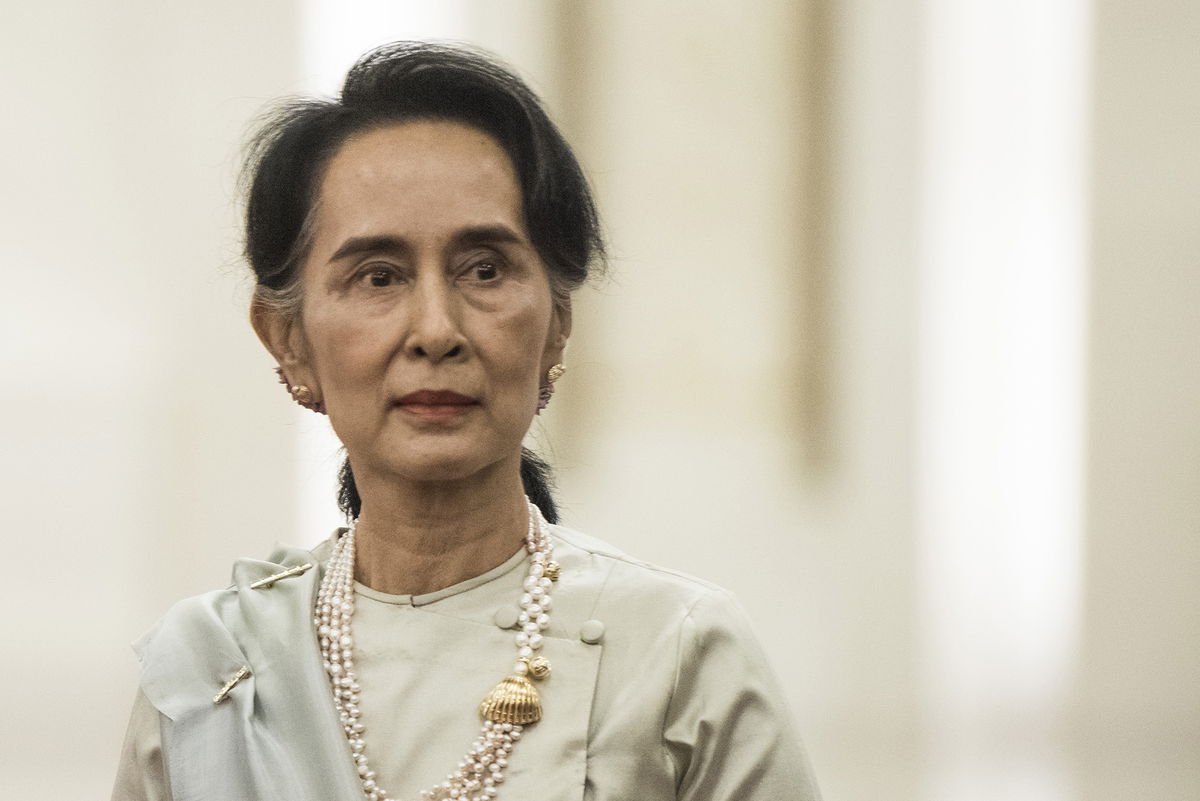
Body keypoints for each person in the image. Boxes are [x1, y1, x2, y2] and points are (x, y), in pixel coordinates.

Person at [112, 41, 821, 801]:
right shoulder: (213, 673)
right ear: (288, 339)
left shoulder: (677, 650)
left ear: (555, 323)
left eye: (484, 269)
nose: (436, 330)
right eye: (377, 276)